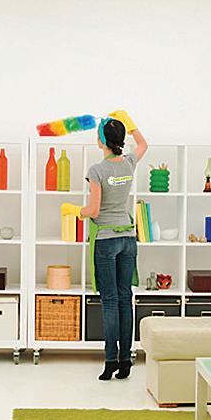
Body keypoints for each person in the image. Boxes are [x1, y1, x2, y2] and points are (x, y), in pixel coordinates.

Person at [63, 111, 147, 381]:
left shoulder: (97, 171)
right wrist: (130, 123)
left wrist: (74, 210)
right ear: (120, 140)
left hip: (107, 241)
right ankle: (126, 360)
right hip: (128, 239)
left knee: (110, 301)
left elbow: (95, 211)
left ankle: (111, 360)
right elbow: (143, 144)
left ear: (101, 141)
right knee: (125, 298)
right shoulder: (129, 163)